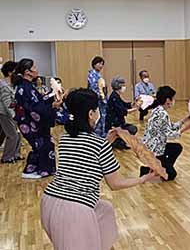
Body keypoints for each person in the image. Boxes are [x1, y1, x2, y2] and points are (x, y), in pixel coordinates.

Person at [41, 88, 157, 250]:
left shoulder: (65, 138)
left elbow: (86, 151)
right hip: (74, 210)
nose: (98, 113)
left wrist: (106, 141)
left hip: (49, 202)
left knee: (105, 210)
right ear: (90, 114)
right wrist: (143, 179)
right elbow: (115, 184)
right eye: (96, 110)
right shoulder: (99, 145)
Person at [13, 59, 61, 178]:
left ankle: (32, 170)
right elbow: (35, 108)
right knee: (42, 145)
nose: (36, 69)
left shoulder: (27, 86)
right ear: (27, 72)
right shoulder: (25, 88)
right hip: (30, 123)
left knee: (41, 145)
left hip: (32, 121)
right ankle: (40, 170)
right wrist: (53, 106)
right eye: (34, 67)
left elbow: (38, 101)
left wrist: (51, 95)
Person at [141, 86, 190, 181]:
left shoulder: (158, 110)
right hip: (155, 150)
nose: (174, 101)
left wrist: (184, 120)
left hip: (153, 146)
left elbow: (169, 127)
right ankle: (153, 169)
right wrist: (185, 128)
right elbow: (169, 134)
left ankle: (159, 168)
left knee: (177, 148)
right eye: (172, 98)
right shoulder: (162, 114)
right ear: (167, 100)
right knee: (171, 176)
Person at [106, 76, 139, 150]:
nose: (124, 87)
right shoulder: (114, 97)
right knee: (133, 129)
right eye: (123, 85)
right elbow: (122, 111)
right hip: (114, 124)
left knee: (132, 129)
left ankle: (119, 141)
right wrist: (134, 109)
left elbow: (124, 104)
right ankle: (117, 141)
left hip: (118, 123)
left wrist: (132, 104)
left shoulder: (116, 95)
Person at [0, 61, 23, 164]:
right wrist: (14, 116)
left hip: (11, 113)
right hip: (4, 114)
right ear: (10, 72)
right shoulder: (4, 86)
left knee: (18, 134)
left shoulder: (12, 84)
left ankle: (16, 154)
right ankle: (7, 157)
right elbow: (7, 103)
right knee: (12, 135)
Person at [88, 56, 107, 138]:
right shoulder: (92, 74)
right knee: (98, 118)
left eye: (102, 64)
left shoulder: (98, 75)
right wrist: (102, 97)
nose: (101, 65)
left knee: (102, 118)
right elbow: (93, 89)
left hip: (101, 100)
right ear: (94, 64)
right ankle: (97, 136)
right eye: (99, 63)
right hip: (96, 100)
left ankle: (102, 135)